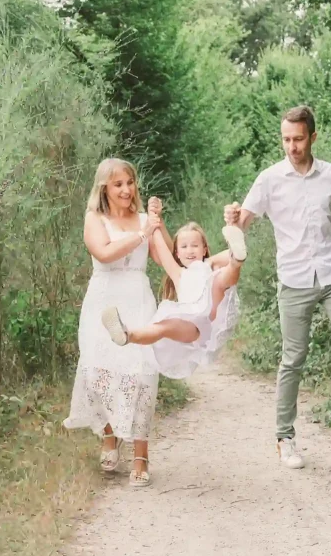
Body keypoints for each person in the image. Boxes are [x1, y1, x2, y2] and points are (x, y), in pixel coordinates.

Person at [224, 105, 331, 469]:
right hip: (294, 279)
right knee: (293, 358)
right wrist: (233, 219)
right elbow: (243, 223)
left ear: (313, 137)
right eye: (286, 139)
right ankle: (285, 438)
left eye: (299, 139)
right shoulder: (269, 179)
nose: (292, 146)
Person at [63, 158, 172, 488]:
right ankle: (109, 436)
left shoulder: (143, 220)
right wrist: (142, 234)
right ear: (104, 189)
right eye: (118, 184)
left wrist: (156, 223)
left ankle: (141, 454)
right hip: (104, 299)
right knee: (98, 370)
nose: (126, 189)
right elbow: (104, 252)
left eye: (130, 182)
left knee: (140, 375)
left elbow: (165, 256)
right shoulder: (94, 219)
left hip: (138, 298)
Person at [101, 221, 246, 379]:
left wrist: (215, 258)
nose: (189, 250)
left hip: (210, 318)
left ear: (204, 249)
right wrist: (154, 220)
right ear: (177, 253)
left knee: (219, 279)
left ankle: (235, 262)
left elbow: (226, 254)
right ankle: (127, 334)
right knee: (163, 326)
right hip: (194, 328)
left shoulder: (209, 267)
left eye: (195, 245)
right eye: (184, 247)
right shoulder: (178, 274)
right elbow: (163, 251)